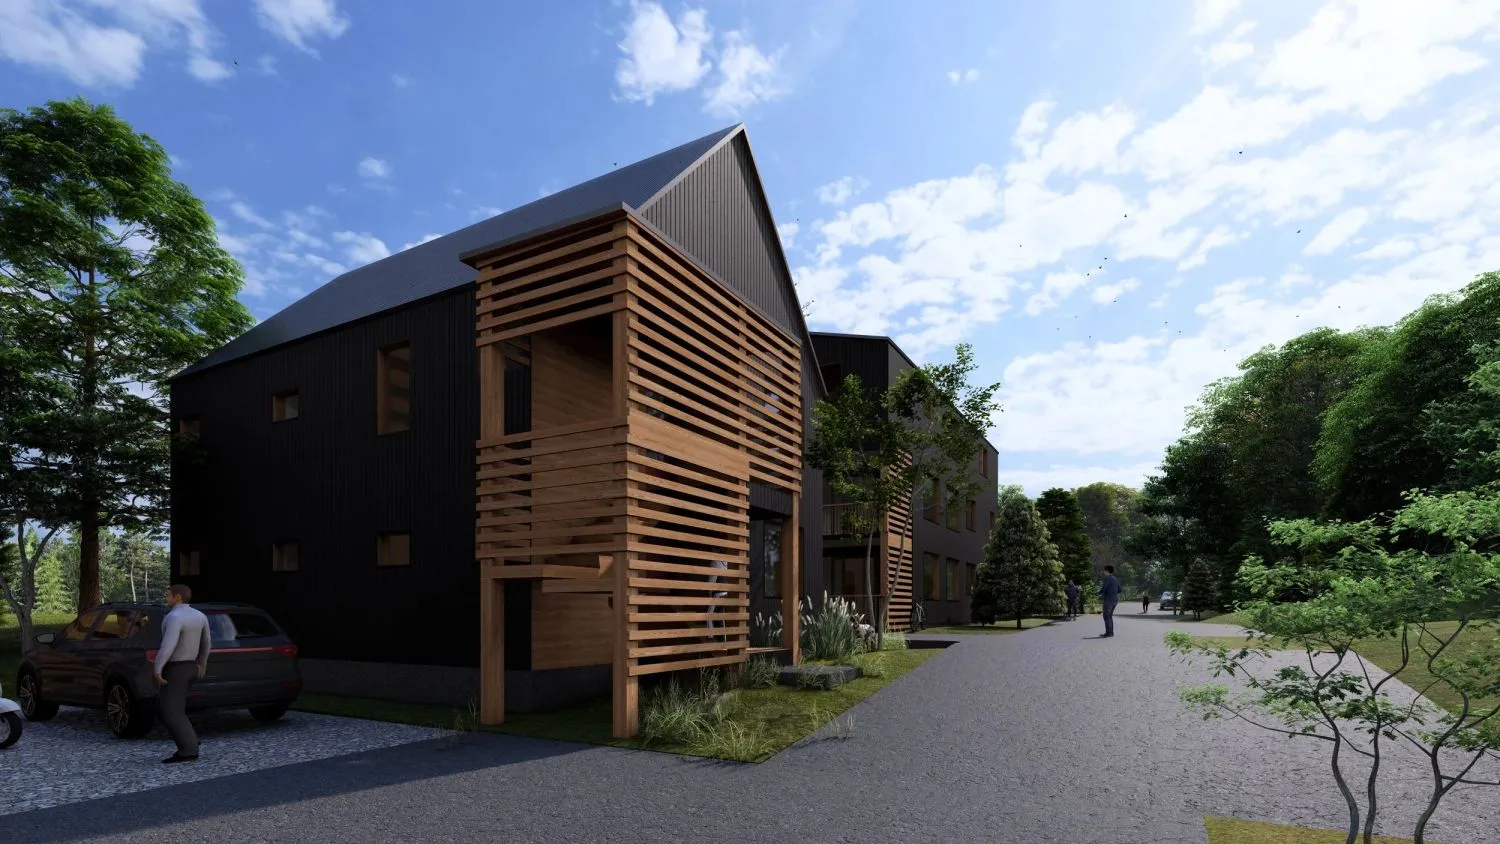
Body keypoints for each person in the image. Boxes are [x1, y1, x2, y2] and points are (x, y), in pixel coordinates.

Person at [154, 584, 212, 764]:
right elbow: (207, 643)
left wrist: (157, 667)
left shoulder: (174, 617)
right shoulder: (200, 616)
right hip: (192, 667)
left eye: (169, 594)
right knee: (174, 708)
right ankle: (191, 740)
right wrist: (202, 663)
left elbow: (168, 645)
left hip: (177, 667)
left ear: (177, 597)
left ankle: (189, 749)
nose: (166, 597)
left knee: (170, 711)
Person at [1099, 566, 1120, 637]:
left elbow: (1104, 588)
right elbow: (1120, 590)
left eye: (1104, 571)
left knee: (1106, 616)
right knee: (1110, 616)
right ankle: (1111, 632)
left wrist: (1098, 593)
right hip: (1115, 599)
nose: (1103, 572)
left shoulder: (1107, 578)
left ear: (1107, 571)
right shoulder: (1116, 579)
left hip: (1108, 599)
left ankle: (1108, 633)